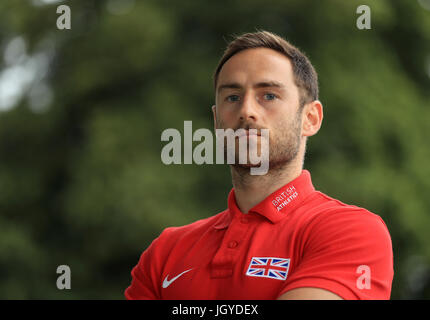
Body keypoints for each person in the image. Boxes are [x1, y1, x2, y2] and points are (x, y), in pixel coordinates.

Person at [124, 31, 394, 300]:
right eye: (232, 97)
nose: (246, 111)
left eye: (268, 96)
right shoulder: (166, 251)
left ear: (310, 118)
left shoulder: (352, 231)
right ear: (217, 121)